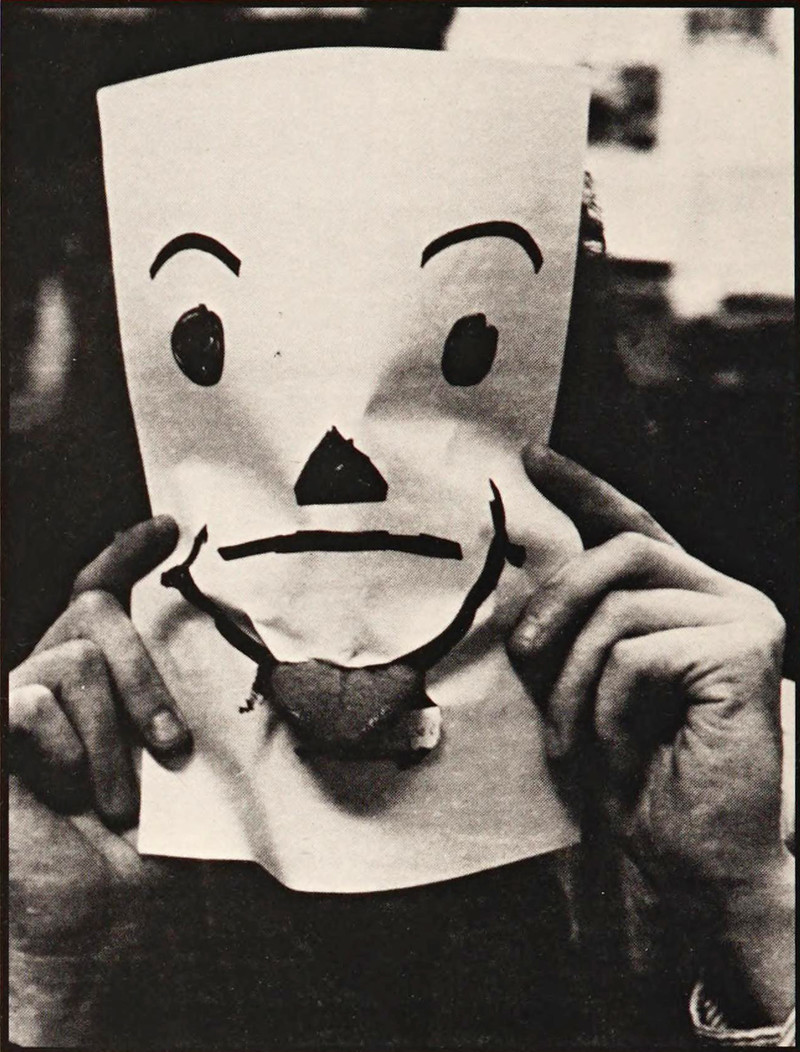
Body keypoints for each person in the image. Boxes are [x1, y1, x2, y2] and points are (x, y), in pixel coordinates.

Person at [8, 188, 795, 1048]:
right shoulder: (49, 797)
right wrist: (44, 990)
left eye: (462, 351)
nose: (336, 469)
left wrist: (758, 913)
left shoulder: (743, 770)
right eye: (211, 352)